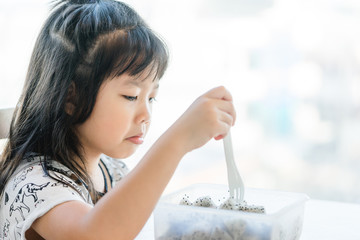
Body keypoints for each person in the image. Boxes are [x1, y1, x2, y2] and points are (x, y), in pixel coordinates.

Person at [0, 0, 236, 239]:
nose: (146, 116)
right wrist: (178, 140)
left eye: (152, 98)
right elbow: (94, 233)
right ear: (71, 98)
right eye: (131, 96)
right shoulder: (34, 182)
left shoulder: (111, 171)